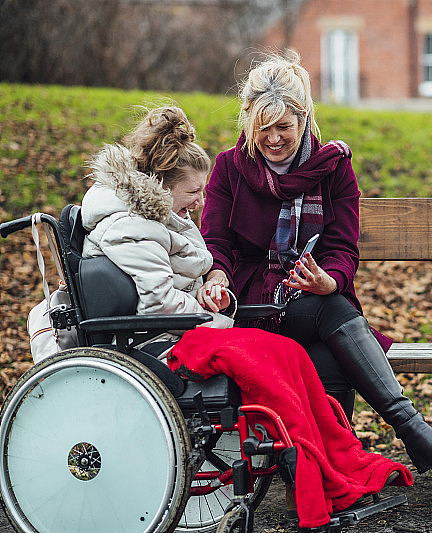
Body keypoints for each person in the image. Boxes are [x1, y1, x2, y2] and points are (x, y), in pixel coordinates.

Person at [79, 105, 412, 528]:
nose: (202, 201)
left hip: (187, 326)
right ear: (161, 186)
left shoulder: (161, 218)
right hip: (160, 339)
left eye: (202, 191)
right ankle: (315, 472)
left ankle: (332, 468)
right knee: (285, 355)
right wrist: (213, 312)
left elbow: (180, 281)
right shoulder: (131, 228)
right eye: (193, 192)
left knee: (297, 351)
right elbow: (160, 302)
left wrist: (210, 291)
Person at [199, 50, 432, 474]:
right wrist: (216, 276)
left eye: (283, 127)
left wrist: (330, 280)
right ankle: (406, 431)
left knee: (328, 343)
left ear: (304, 118)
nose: (272, 139)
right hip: (251, 301)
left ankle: (327, 466)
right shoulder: (230, 168)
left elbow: (342, 248)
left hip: (309, 299)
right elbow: (217, 241)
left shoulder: (333, 168)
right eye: (262, 127)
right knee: (333, 319)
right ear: (247, 119)